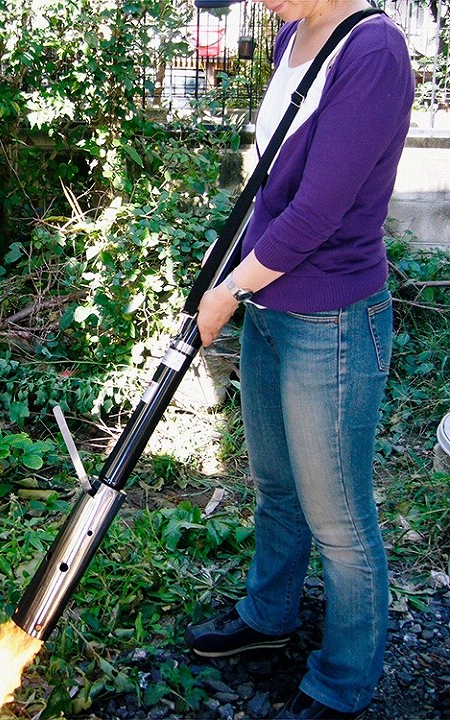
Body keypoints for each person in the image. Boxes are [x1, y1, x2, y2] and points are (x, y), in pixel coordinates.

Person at [183, 1, 414, 718]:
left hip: (333, 320)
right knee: (275, 487)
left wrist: (228, 293)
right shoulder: (292, 33)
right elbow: (272, 188)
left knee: (339, 521)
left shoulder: (373, 53)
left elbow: (317, 212)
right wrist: (229, 271)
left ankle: (342, 685)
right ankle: (268, 618)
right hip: (272, 310)